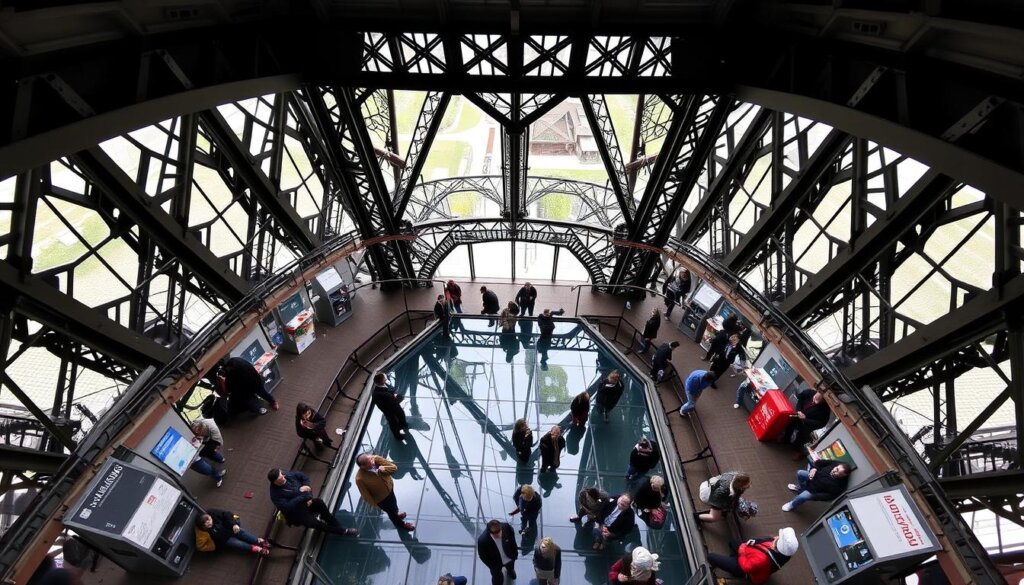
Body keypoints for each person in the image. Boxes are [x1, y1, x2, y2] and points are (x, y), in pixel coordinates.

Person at [267, 468, 358, 535]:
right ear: (275, 482)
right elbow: (286, 507)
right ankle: (342, 531)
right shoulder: (275, 494)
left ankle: (334, 523)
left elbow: (303, 477)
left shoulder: (286, 475)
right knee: (315, 524)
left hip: (307, 501)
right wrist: (302, 495)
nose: (284, 476)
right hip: (297, 513)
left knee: (319, 503)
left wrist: (308, 491)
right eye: (281, 477)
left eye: (282, 474)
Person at [707, 527, 798, 584]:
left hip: (744, 566)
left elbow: (746, 567)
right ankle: (732, 562)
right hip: (748, 554)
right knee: (733, 541)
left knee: (711, 557)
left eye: (779, 537)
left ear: (778, 544)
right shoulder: (783, 552)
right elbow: (761, 545)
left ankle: (735, 571)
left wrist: (742, 551)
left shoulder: (763, 559)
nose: (777, 536)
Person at [355, 452, 416, 530]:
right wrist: (376, 505)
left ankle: (396, 514)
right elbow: (365, 495)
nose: (371, 462)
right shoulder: (360, 478)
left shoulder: (376, 459)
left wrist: (384, 469)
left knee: (394, 505)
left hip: (389, 489)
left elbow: (394, 468)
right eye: (368, 463)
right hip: (381, 500)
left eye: (370, 459)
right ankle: (401, 524)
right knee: (391, 513)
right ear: (362, 467)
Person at [194, 509, 270, 556]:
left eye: (210, 520)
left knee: (242, 532)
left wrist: (233, 525)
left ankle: (258, 541)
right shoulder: (201, 532)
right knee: (239, 544)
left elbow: (226, 514)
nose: (210, 523)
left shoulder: (211, 513)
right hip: (225, 540)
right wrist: (214, 546)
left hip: (230, 528)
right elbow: (200, 546)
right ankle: (257, 549)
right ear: (203, 526)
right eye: (208, 525)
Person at [782, 459, 850, 511]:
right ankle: (799, 487)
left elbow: (828, 496)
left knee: (803, 496)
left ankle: (791, 505)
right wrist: (814, 469)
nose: (835, 471)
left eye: (839, 472)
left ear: (843, 476)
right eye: (836, 468)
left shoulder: (839, 486)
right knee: (800, 473)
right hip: (813, 477)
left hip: (813, 491)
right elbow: (819, 462)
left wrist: (814, 496)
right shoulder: (835, 463)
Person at [782, 388, 832, 457]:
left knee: (800, 437)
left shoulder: (825, 410)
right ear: (817, 392)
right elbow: (800, 398)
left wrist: (805, 419)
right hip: (798, 414)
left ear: (824, 401)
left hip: (808, 424)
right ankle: (785, 440)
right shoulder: (809, 392)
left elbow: (821, 423)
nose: (814, 402)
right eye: (814, 399)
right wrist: (798, 410)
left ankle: (796, 450)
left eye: (817, 401)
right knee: (790, 425)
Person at [477, 519, 518, 585]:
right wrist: (492, 566)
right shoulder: (482, 540)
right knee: (497, 578)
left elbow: (513, 540)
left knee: (510, 567)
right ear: (489, 531)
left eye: (499, 531)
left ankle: (510, 571)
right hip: (495, 564)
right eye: (495, 533)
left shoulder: (506, 527)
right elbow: (482, 556)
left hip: (509, 557)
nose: (498, 534)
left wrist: (515, 554)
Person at [190, 417, 227, 487]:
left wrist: (215, 447)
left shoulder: (213, 429)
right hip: (202, 446)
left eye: (199, 431)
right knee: (209, 456)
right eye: (196, 431)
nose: (197, 432)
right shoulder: (198, 426)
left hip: (208, 443)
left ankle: (220, 462)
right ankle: (219, 463)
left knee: (212, 454)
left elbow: (219, 442)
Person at [371, 372, 409, 439]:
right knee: (393, 423)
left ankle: (403, 425)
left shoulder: (379, 388)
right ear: (383, 381)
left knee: (400, 415)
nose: (386, 378)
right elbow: (393, 403)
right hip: (390, 410)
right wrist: (400, 398)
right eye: (385, 378)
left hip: (391, 407)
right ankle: (397, 436)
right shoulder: (383, 395)